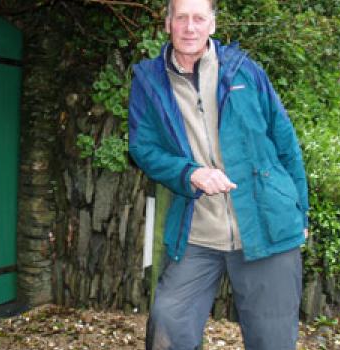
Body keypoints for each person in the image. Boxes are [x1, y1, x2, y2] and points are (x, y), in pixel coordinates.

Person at [127, 0, 309, 349]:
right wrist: (189, 173)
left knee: (272, 340)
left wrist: (301, 210)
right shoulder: (149, 81)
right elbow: (143, 149)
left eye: (199, 18)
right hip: (197, 232)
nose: (190, 27)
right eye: (181, 18)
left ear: (212, 24)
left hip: (266, 226)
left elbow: (285, 142)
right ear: (168, 24)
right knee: (167, 324)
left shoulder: (245, 71)